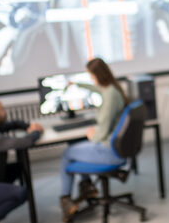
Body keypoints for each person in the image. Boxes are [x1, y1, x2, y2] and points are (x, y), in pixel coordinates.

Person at [59, 58, 129, 222]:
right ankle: (87, 188)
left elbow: (103, 131)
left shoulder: (110, 95)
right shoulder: (110, 89)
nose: (91, 79)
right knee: (75, 145)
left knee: (68, 152)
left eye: (91, 76)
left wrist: (93, 135)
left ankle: (66, 200)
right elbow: (96, 89)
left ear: (98, 75)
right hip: (114, 147)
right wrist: (77, 84)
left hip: (109, 150)